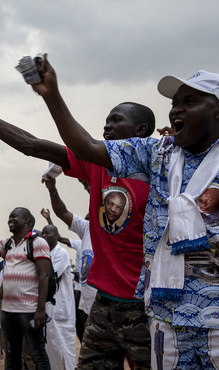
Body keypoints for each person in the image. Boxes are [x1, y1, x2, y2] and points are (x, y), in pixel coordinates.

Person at [32, 58, 219, 368]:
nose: (176, 110)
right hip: (166, 318)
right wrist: (52, 95)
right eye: (174, 103)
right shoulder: (158, 153)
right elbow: (87, 147)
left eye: (190, 101)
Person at [0, 87, 153, 368]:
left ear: (141, 130)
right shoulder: (97, 165)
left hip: (147, 302)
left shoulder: (162, 169)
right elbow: (31, 144)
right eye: (106, 119)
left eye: (116, 120)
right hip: (106, 301)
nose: (107, 125)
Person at [0, 207, 51, 369]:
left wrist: (40, 310)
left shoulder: (37, 243)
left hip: (29, 310)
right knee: (11, 355)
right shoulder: (7, 244)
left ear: (27, 221)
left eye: (14, 217)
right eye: (9, 217)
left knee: (37, 354)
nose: (10, 219)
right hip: (8, 311)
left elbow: (44, 277)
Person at [41, 175, 97, 340]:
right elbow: (62, 213)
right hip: (88, 304)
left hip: (112, 302)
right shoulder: (86, 228)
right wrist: (52, 190)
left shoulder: (113, 230)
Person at [40, 225, 76, 370]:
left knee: (64, 348)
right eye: (42, 233)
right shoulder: (45, 254)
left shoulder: (61, 253)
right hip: (49, 309)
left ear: (56, 236)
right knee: (51, 346)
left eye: (47, 233)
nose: (43, 236)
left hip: (61, 308)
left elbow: (49, 277)